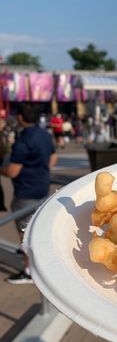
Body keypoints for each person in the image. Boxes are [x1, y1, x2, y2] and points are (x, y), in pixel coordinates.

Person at [0, 102, 57, 284]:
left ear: (20, 117)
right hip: (42, 186)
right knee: (36, 227)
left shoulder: (24, 140)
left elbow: (13, 171)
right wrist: (39, 168)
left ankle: (28, 271)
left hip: (26, 191)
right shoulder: (45, 134)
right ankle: (33, 262)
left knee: (25, 233)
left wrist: (2, 169)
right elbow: (53, 158)